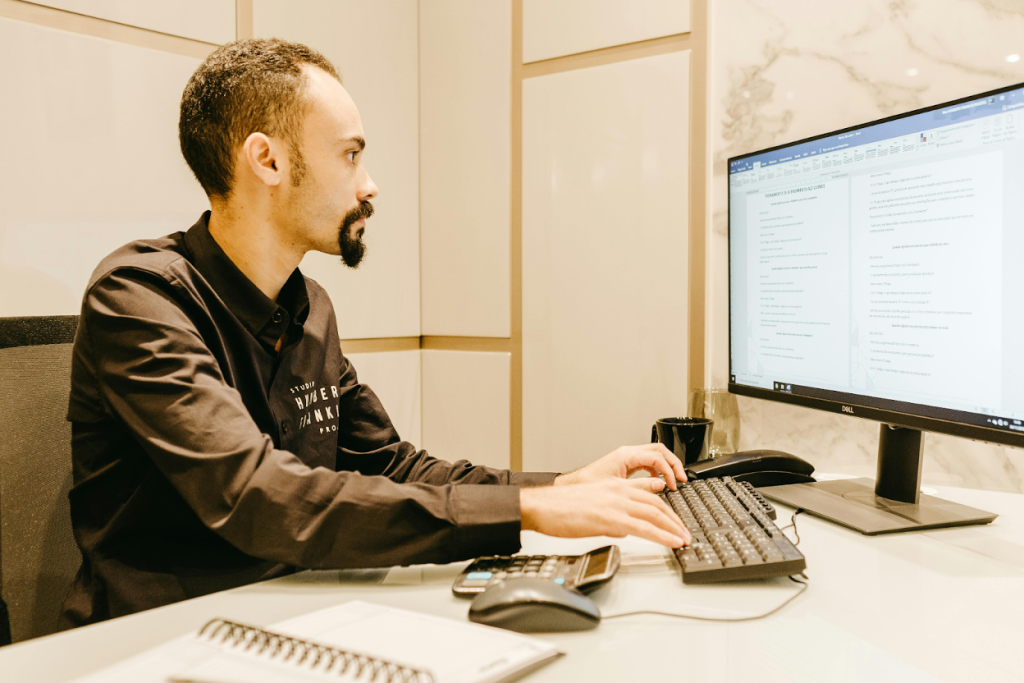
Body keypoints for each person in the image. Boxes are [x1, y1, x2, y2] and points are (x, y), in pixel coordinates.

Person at [60, 38, 690, 629]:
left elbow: (391, 465)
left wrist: (558, 487)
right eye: (351, 154)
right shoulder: (138, 297)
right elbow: (259, 497)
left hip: (296, 613)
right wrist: (525, 512)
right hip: (160, 639)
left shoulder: (309, 308)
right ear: (268, 159)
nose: (369, 185)